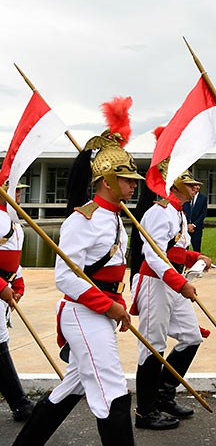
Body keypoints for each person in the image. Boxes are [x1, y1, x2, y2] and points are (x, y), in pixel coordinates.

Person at [14, 100, 142, 446]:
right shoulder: (81, 220)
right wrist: (109, 306)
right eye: (127, 180)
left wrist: (116, 305)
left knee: (71, 386)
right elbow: (66, 278)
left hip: (99, 311)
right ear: (107, 181)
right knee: (113, 391)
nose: (133, 186)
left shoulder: (115, 218)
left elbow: (112, 272)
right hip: (83, 313)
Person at [129, 159, 212, 430]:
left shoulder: (178, 212)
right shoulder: (159, 211)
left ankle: (164, 394)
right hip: (156, 283)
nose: (194, 187)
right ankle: (145, 411)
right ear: (175, 185)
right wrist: (180, 283)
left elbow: (175, 251)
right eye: (189, 183)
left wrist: (195, 256)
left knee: (191, 336)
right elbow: (153, 255)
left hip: (172, 282)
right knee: (152, 345)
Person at [0, 182, 35, 422]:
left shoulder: (12, 220)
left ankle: (19, 402)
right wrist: (2, 287)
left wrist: (18, 283)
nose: (20, 194)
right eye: (14, 189)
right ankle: (20, 403)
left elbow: (12, 258)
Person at [184, 183, 207, 252]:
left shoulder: (203, 198)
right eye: (195, 185)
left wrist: (194, 225)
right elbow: (183, 210)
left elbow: (203, 213)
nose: (197, 187)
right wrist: (187, 224)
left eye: (198, 185)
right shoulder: (186, 197)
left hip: (197, 228)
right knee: (184, 248)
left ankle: (197, 262)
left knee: (196, 249)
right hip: (185, 228)